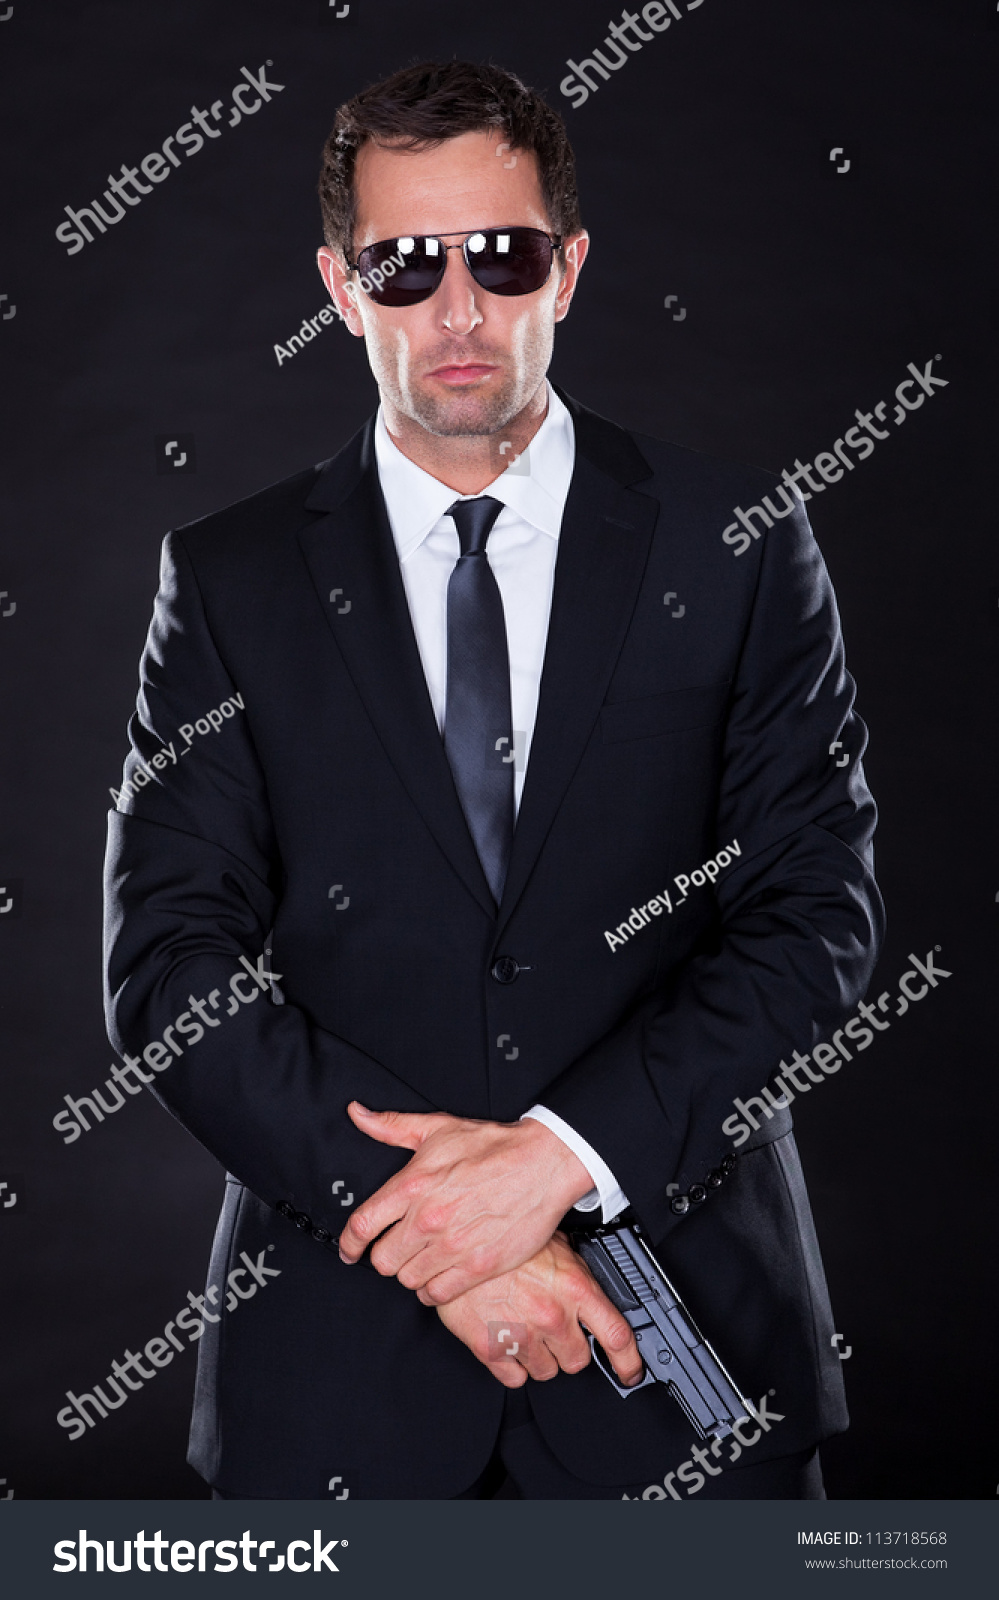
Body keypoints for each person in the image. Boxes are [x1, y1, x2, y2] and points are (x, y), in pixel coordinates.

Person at [104, 59, 883, 1500]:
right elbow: (169, 970)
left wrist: (558, 1166)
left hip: (680, 1345)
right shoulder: (229, 581)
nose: (457, 309)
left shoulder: (740, 544)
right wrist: (449, 1234)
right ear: (340, 289)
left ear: (569, 269)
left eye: (502, 255)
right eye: (405, 265)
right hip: (340, 1366)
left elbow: (814, 920)